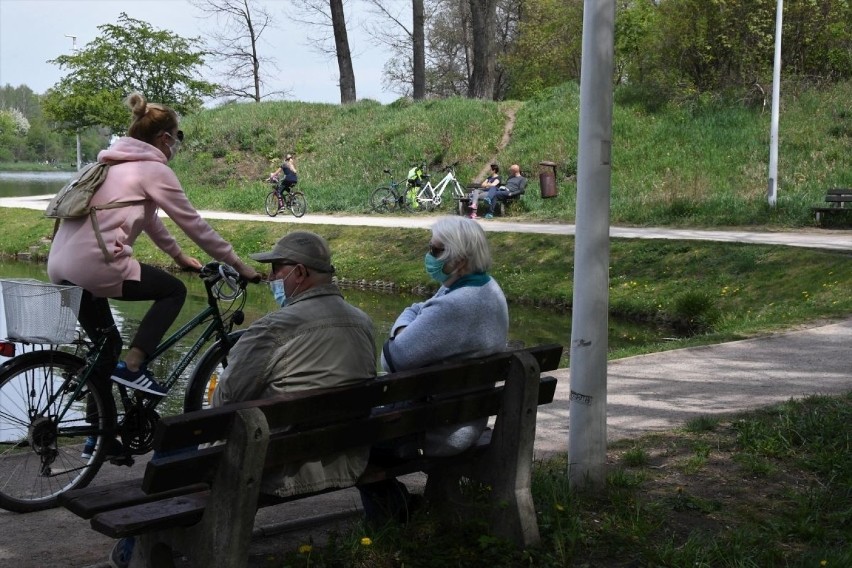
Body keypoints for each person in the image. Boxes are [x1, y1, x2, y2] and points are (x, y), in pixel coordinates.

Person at [108, 230, 377, 568]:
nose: (271, 278)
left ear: (301, 273)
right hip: (346, 456)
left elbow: (220, 408)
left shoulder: (272, 329)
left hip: (274, 468)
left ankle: (135, 552)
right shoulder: (364, 323)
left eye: (277, 269)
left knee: (173, 448)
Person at [47, 92, 260, 428]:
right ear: (164, 138)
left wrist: (179, 255)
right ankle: (134, 365)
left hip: (60, 267)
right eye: (178, 138)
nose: (176, 146)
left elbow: (150, 220)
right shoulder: (152, 170)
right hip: (95, 266)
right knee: (173, 291)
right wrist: (239, 264)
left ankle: (97, 436)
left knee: (105, 348)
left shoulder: (106, 165)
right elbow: (194, 223)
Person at [359, 216, 509, 525]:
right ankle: (399, 509)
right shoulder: (486, 288)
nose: (429, 255)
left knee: (350, 438)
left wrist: (404, 322)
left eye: (435, 249)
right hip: (461, 418)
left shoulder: (456, 305)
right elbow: (421, 309)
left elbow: (392, 358)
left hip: (438, 432)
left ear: (460, 258)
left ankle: (392, 517)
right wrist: (414, 315)